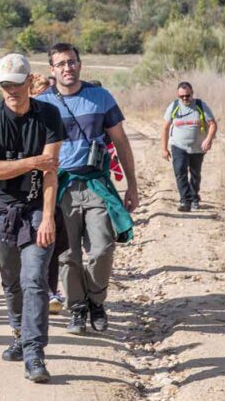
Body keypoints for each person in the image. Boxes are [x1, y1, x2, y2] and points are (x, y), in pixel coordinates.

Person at [0, 53, 64, 382]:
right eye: (4, 84)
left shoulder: (48, 115)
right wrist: (33, 161)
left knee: (34, 278)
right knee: (11, 279)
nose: (10, 90)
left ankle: (35, 353)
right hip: (0, 210)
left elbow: (52, 173)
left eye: (16, 83)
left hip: (38, 207)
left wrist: (49, 217)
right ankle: (20, 335)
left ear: (28, 82)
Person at [36, 42, 137, 335]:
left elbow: (121, 143)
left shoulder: (100, 97)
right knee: (67, 254)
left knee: (102, 248)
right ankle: (77, 308)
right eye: (61, 64)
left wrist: (132, 186)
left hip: (96, 183)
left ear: (79, 64)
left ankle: (96, 302)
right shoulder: (43, 104)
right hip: (60, 185)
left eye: (71, 62)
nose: (67, 68)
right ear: (52, 70)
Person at [161, 82, 217, 212]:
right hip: (178, 145)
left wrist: (208, 140)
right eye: (182, 96)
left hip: (197, 147)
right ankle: (185, 201)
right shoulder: (174, 106)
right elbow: (165, 128)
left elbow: (213, 124)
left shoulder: (200, 105)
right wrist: (164, 148)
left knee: (195, 173)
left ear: (192, 93)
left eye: (187, 95)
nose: (185, 98)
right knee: (180, 171)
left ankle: (194, 198)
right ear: (178, 95)